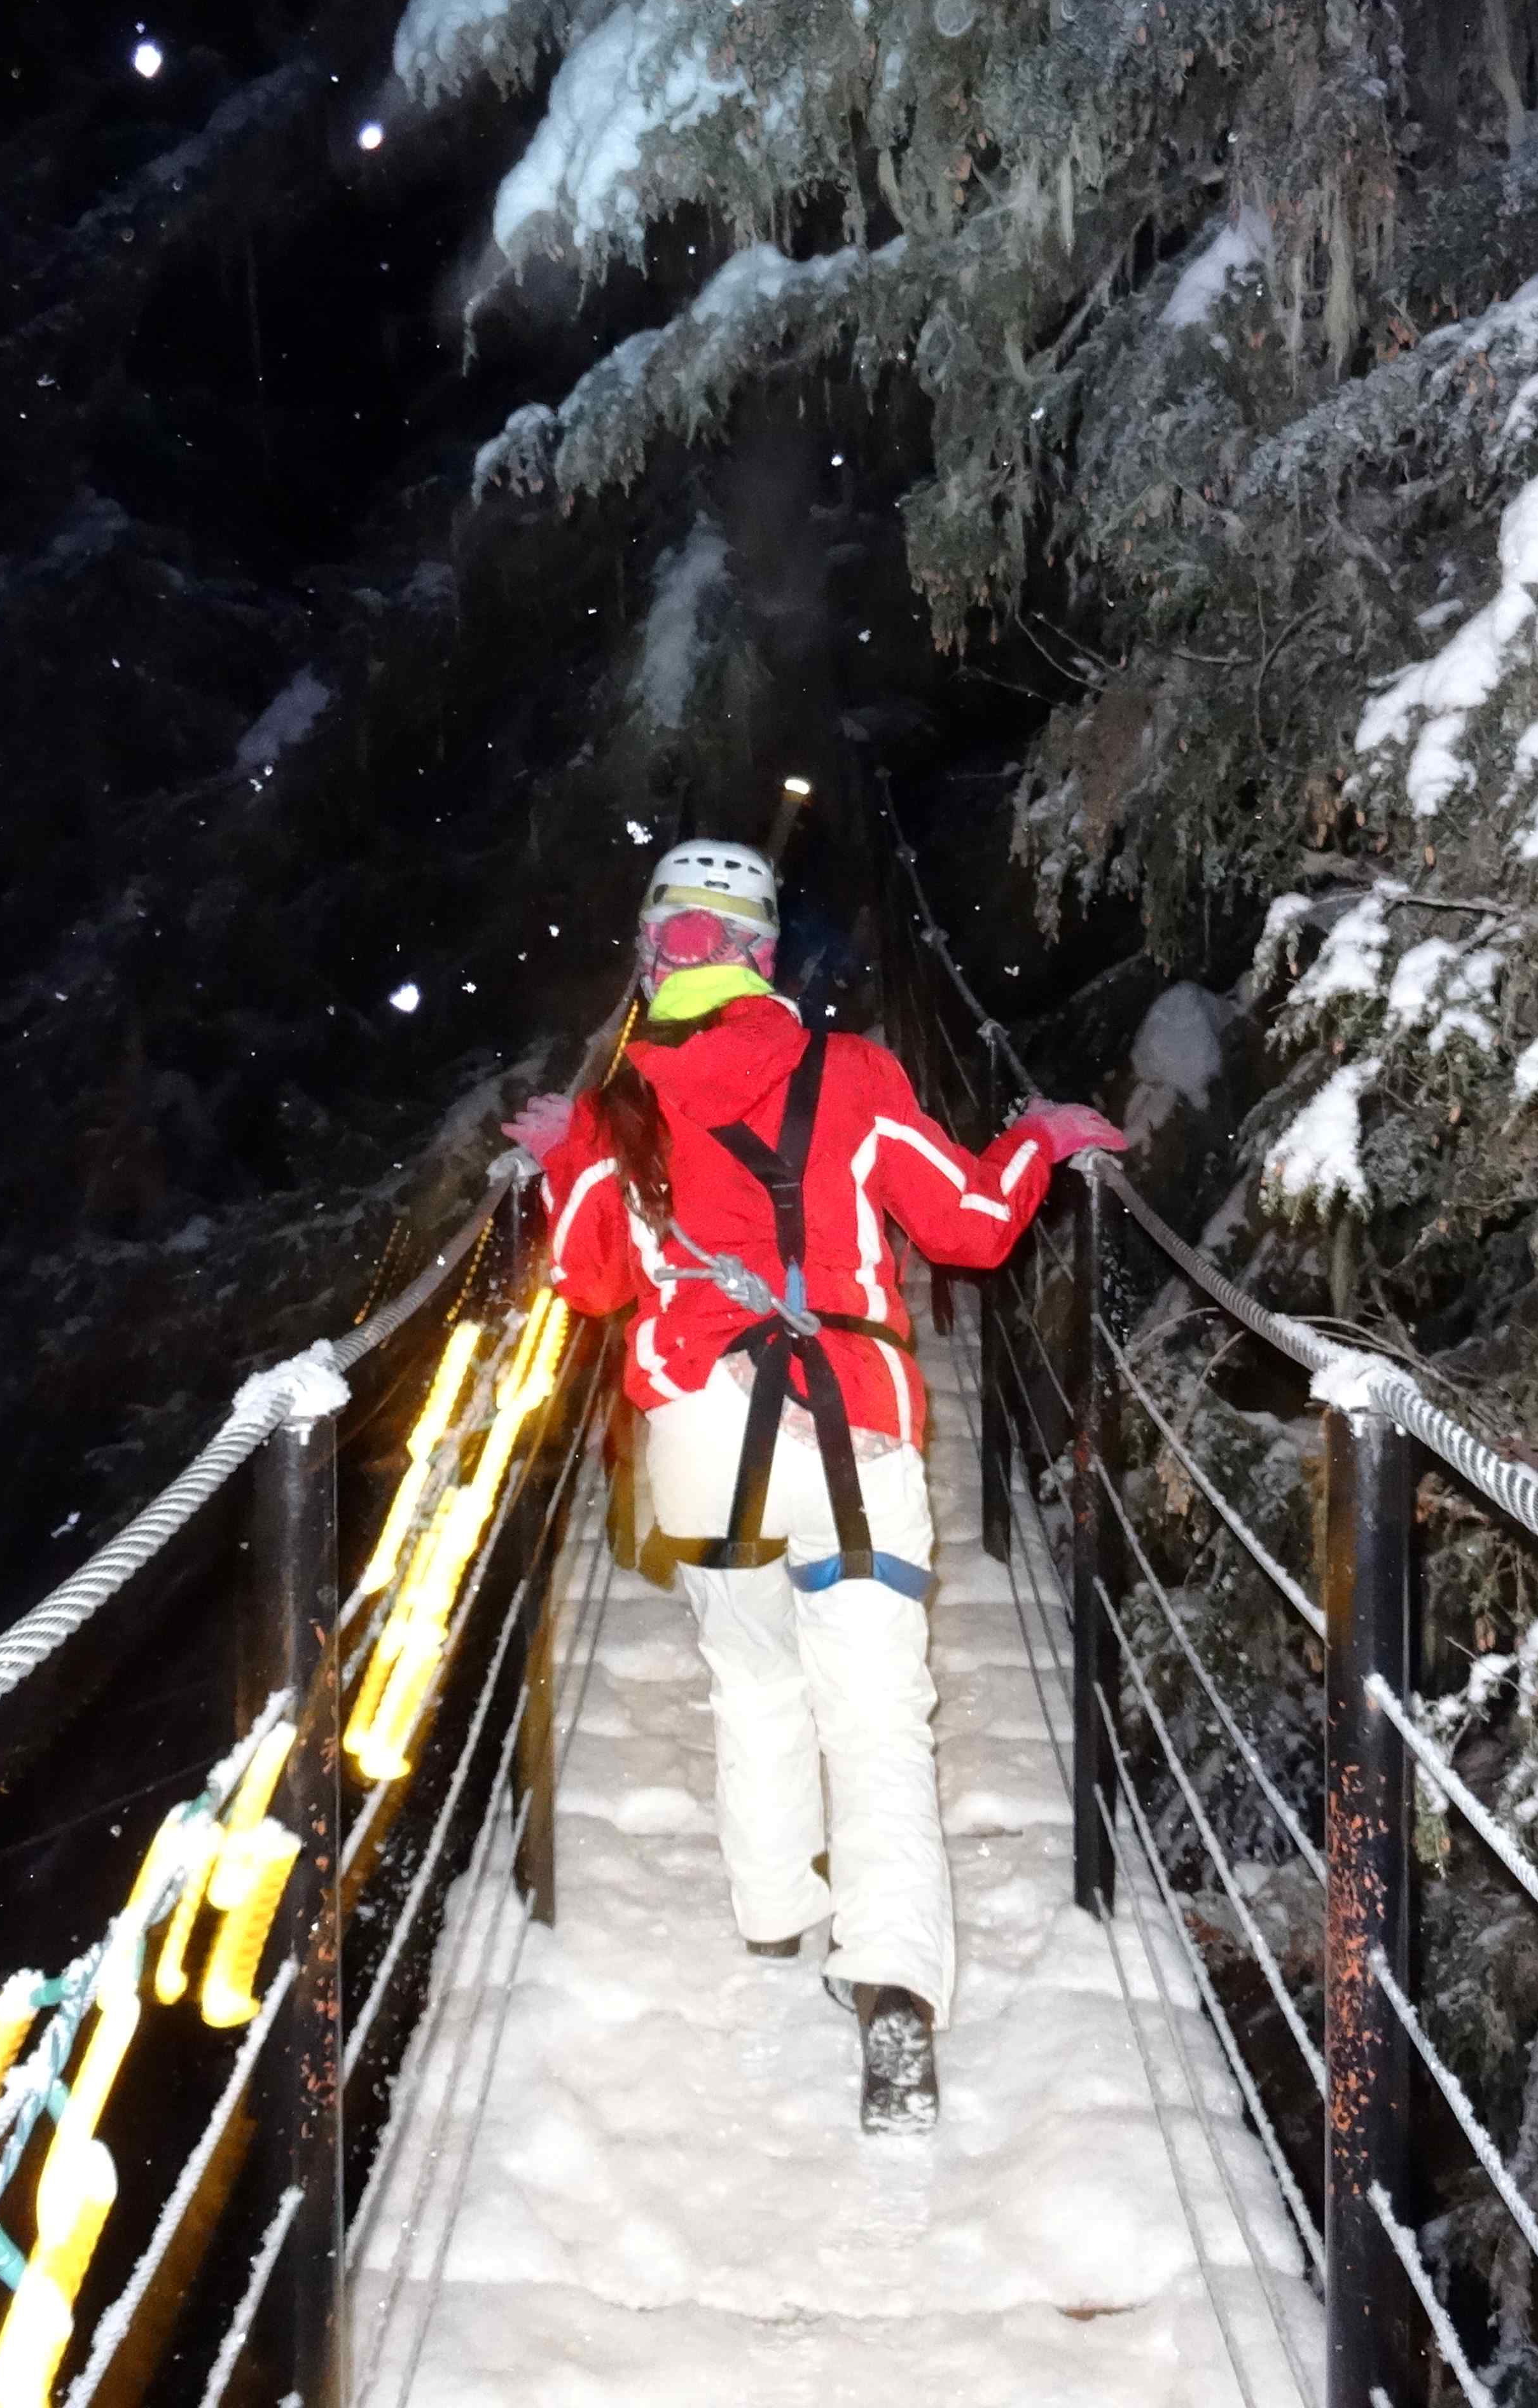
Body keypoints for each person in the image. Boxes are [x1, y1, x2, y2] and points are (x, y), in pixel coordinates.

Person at [502, 836, 1121, 2133]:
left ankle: (775, 1906)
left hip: (703, 1449)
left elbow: (590, 1287)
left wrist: (573, 1165)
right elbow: (968, 1226)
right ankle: (892, 1987)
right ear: (765, 960)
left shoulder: (621, 1108)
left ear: (653, 957)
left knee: (754, 1675)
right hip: (853, 1434)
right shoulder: (854, 1075)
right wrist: (1037, 1143)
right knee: (879, 1715)